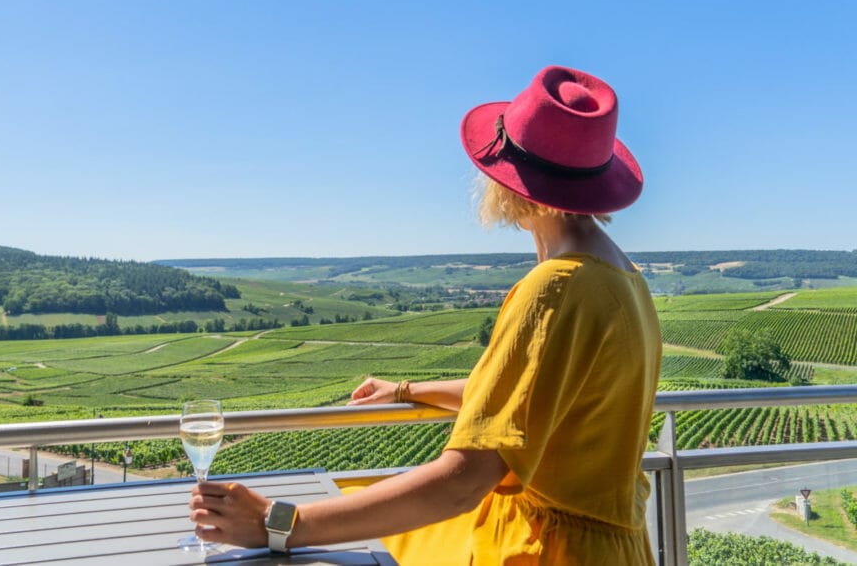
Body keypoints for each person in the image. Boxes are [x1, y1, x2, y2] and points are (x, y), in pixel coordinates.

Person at [189, 65, 662, 565]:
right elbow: (523, 400)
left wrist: (278, 523)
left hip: (547, 550)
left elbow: (462, 483)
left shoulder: (555, 288)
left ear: (510, 181)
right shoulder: (621, 278)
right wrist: (405, 392)